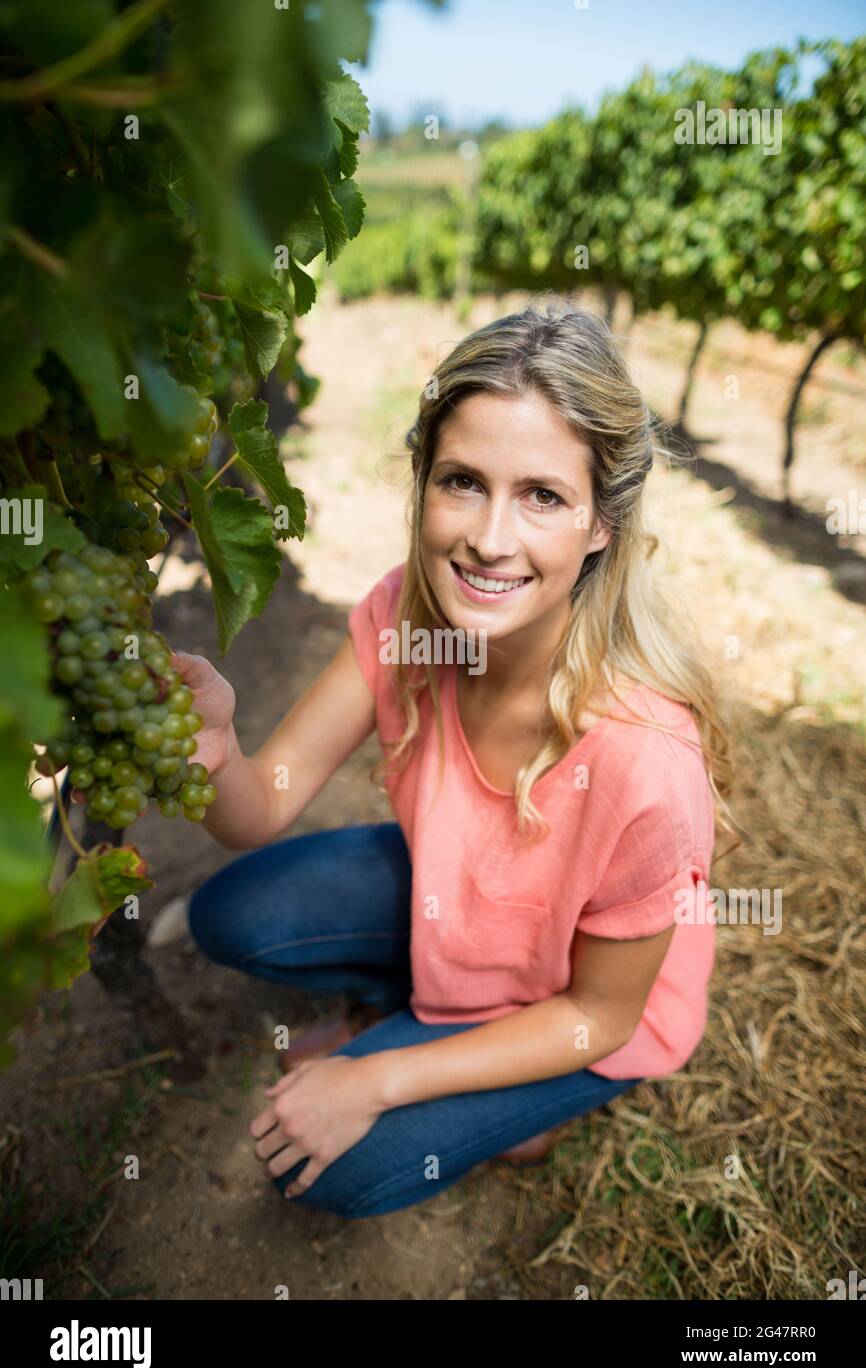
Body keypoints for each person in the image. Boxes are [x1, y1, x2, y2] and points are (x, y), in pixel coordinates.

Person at [176, 298, 738, 1220]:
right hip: (470, 904)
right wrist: (213, 745)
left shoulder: (646, 758)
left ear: (603, 524)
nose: (489, 538)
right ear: (423, 481)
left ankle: (512, 1085)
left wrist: (375, 1080)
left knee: (320, 1170)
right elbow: (257, 809)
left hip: (585, 1009)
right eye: (463, 482)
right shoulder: (407, 619)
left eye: (543, 497)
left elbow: (602, 1011)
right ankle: (430, 1004)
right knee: (232, 913)